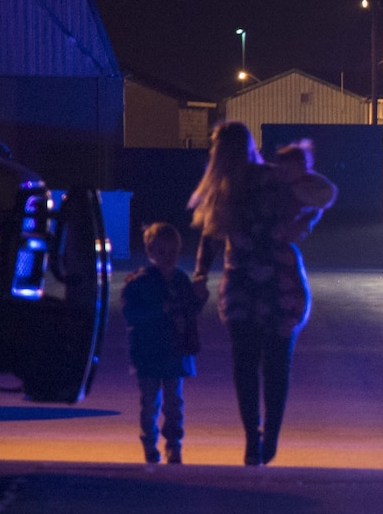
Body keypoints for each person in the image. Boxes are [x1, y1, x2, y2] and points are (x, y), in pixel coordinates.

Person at [188, 122, 336, 466]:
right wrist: (199, 274)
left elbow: (324, 195)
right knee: (262, 363)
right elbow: (209, 235)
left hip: (269, 280)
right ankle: (258, 437)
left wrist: (306, 222)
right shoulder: (224, 188)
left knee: (262, 363)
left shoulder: (269, 177)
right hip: (253, 280)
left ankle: (262, 436)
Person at [121, 221, 205, 464]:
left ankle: (173, 445)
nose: (168, 258)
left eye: (173, 252)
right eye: (162, 252)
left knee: (173, 402)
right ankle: (150, 443)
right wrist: (161, 309)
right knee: (150, 402)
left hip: (173, 351)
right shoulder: (139, 282)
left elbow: (191, 313)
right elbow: (130, 315)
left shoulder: (180, 280)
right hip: (148, 351)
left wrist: (199, 298)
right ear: (150, 253)